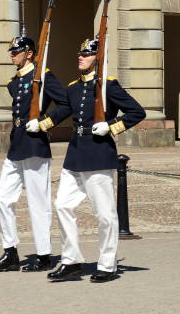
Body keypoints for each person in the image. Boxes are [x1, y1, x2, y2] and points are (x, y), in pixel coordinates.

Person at [47, 37, 145, 283]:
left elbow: (137, 112)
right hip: (75, 155)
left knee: (104, 214)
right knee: (63, 206)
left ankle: (108, 264)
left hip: (98, 155)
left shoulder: (108, 86)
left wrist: (111, 126)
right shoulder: (73, 87)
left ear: (97, 59)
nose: (81, 57)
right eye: (80, 53)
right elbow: (63, 111)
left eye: (87, 54)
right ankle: (71, 261)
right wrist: (42, 123)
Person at [0, 34, 70, 273]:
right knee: (3, 198)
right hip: (17, 144)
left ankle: (43, 254)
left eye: (17, 51)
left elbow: (65, 104)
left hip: (35, 143)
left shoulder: (43, 75)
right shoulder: (16, 81)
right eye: (12, 51)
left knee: (38, 202)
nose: (12, 55)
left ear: (30, 53)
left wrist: (44, 123)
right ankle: (10, 251)